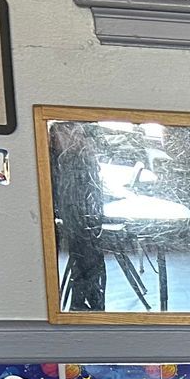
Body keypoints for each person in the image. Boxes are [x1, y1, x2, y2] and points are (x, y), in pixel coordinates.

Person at [49, 123, 109, 312]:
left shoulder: (80, 155)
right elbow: (69, 192)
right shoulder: (66, 157)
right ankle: (84, 304)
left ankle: (85, 302)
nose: (78, 138)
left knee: (90, 259)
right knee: (88, 259)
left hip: (85, 213)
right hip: (76, 214)